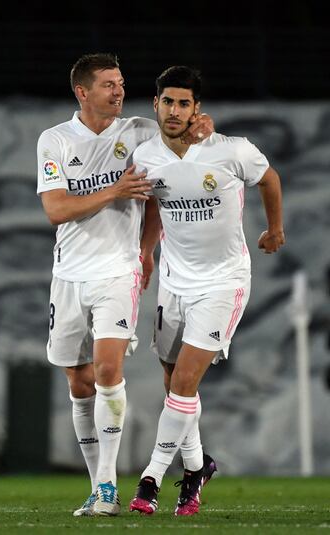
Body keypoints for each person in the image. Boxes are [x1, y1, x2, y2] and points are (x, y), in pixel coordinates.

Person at [36, 53, 214, 517]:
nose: (118, 91)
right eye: (109, 84)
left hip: (117, 271)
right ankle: (96, 486)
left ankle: (111, 488)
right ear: (82, 91)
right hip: (68, 275)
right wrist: (114, 191)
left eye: (120, 83)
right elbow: (56, 210)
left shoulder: (138, 131)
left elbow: (165, 172)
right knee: (78, 382)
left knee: (107, 371)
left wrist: (146, 249)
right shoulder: (54, 140)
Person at [129, 66, 285, 516]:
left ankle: (151, 477)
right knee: (174, 383)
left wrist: (274, 229)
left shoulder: (232, 151)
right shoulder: (146, 157)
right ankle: (197, 466)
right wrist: (147, 252)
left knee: (183, 381)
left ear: (198, 109)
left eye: (183, 103)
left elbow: (270, 179)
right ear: (155, 104)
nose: (174, 111)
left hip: (223, 282)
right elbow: (155, 205)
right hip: (174, 282)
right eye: (167, 101)